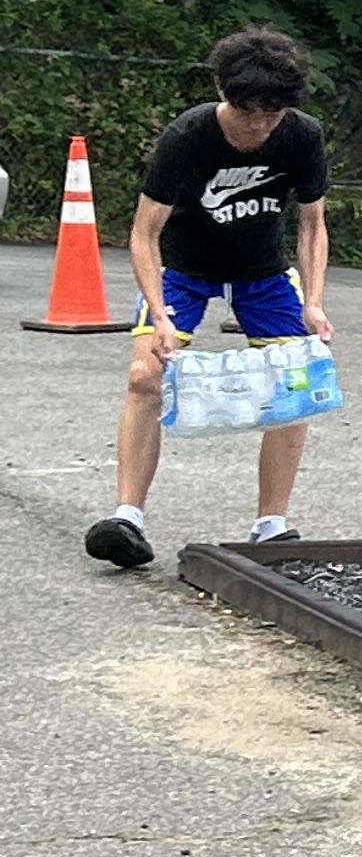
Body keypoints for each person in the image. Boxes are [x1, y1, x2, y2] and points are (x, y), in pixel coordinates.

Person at [85, 29, 335, 572]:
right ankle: (127, 519)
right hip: (184, 268)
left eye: (272, 114)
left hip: (262, 271)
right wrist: (159, 315)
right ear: (223, 91)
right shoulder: (189, 135)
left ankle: (272, 525)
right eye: (249, 113)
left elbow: (312, 225)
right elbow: (144, 233)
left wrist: (314, 301)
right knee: (145, 375)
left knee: (295, 383)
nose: (260, 126)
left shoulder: (302, 135)